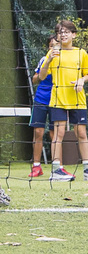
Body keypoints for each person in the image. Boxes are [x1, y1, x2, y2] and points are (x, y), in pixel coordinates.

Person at [46, 20, 88, 181]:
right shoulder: (53, 53)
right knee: (59, 134)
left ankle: (86, 169)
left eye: (66, 32)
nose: (63, 35)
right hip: (58, 99)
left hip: (77, 99)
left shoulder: (81, 53)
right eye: (60, 32)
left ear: (74, 34)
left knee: (81, 133)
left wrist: (81, 80)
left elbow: (87, 73)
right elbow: (41, 76)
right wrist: (49, 60)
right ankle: (56, 170)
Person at [29, 35, 59, 178]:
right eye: (51, 46)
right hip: (41, 100)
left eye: (56, 45)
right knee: (38, 132)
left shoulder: (65, 61)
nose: (53, 48)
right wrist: (39, 76)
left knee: (55, 134)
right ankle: (36, 166)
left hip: (57, 100)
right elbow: (35, 79)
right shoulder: (44, 60)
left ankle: (57, 166)